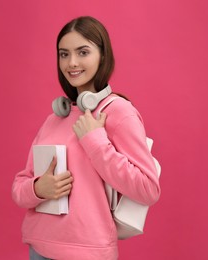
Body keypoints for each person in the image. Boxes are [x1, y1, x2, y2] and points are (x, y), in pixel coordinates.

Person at [12, 16, 161, 260]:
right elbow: (19, 187)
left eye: (83, 52)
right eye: (64, 54)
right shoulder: (55, 118)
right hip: (39, 248)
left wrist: (95, 141)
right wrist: (39, 188)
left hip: (87, 253)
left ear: (103, 55)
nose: (72, 63)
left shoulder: (119, 112)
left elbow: (148, 189)